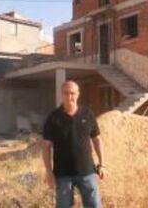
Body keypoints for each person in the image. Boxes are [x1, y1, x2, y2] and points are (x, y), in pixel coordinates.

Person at [42, 80, 104, 208]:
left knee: (95, 205)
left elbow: (97, 140)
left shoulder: (87, 114)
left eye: (72, 93)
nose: (69, 96)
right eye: (66, 93)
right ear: (61, 95)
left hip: (87, 172)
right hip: (63, 174)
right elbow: (46, 147)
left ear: (78, 94)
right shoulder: (53, 118)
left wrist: (102, 164)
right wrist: (49, 172)